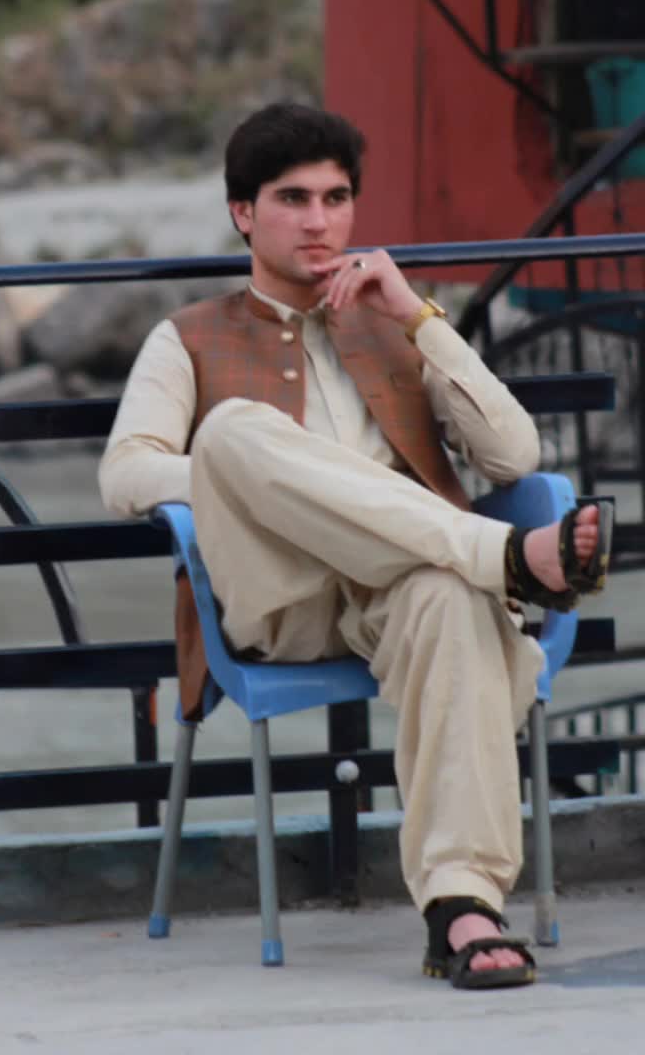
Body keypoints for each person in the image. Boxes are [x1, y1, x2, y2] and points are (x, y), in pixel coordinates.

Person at [99, 102, 611, 989]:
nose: (319, 221)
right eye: (292, 199)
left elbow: (513, 455)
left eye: (335, 199)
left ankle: (461, 908)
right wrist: (259, 478)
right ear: (243, 213)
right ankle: (504, 557)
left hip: (400, 589)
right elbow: (126, 474)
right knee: (229, 432)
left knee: (450, 595)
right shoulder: (187, 336)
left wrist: (417, 315)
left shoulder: (392, 325)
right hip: (282, 598)